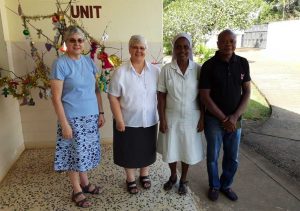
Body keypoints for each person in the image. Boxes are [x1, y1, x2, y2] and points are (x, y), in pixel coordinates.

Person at [50, 25, 105, 208]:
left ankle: (86, 183)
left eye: (80, 40)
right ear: (66, 42)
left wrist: (101, 112)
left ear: (84, 43)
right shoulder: (60, 64)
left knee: (84, 154)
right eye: (72, 40)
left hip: (90, 117)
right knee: (74, 155)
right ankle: (77, 190)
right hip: (72, 119)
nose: (77, 43)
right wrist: (64, 124)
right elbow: (56, 98)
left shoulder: (89, 62)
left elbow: (96, 90)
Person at [199, 29, 251, 201]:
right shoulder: (209, 65)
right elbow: (204, 96)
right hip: (214, 120)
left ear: (236, 43)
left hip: (236, 120)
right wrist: (223, 119)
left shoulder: (243, 63)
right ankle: (214, 185)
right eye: (224, 41)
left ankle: (226, 185)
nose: (228, 44)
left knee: (232, 157)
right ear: (218, 43)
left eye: (232, 41)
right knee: (213, 156)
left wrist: (235, 117)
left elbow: (247, 91)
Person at [108, 35, 160, 194]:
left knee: (146, 149)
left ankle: (144, 174)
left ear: (146, 50)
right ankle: (130, 178)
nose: (139, 50)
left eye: (142, 47)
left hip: (149, 119)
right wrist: (119, 119)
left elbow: (162, 95)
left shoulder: (156, 71)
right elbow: (113, 96)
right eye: (135, 47)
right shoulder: (120, 72)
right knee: (128, 151)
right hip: (127, 120)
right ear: (130, 49)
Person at [157, 33, 206, 195]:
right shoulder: (166, 70)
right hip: (171, 116)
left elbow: (203, 96)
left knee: (187, 149)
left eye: (186, 46)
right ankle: (172, 176)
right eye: (178, 47)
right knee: (171, 149)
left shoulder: (198, 69)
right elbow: (161, 96)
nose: (182, 50)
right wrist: (162, 119)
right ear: (174, 49)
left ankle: (184, 179)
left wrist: (203, 119)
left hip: (192, 117)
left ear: (190, 48)